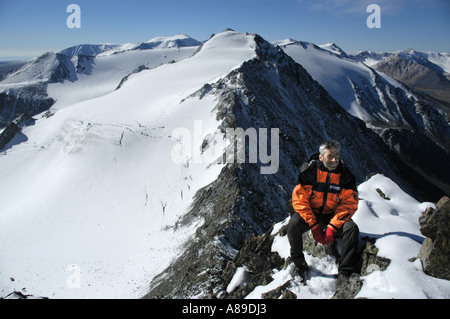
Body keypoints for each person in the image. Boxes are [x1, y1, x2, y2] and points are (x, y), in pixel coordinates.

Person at [287, 140, 360, 287]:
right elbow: (300, 201)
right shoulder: (309, 173)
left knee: (351, 229)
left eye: (337, 155)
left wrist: (333, 226)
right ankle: (299, 264)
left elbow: (349, 204)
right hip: (312, 213)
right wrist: (314, 225)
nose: (334, 160)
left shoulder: (345, 176)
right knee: (294, 224)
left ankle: (344, 272)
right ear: (321, 157)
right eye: (330, 156)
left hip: (333, 214)